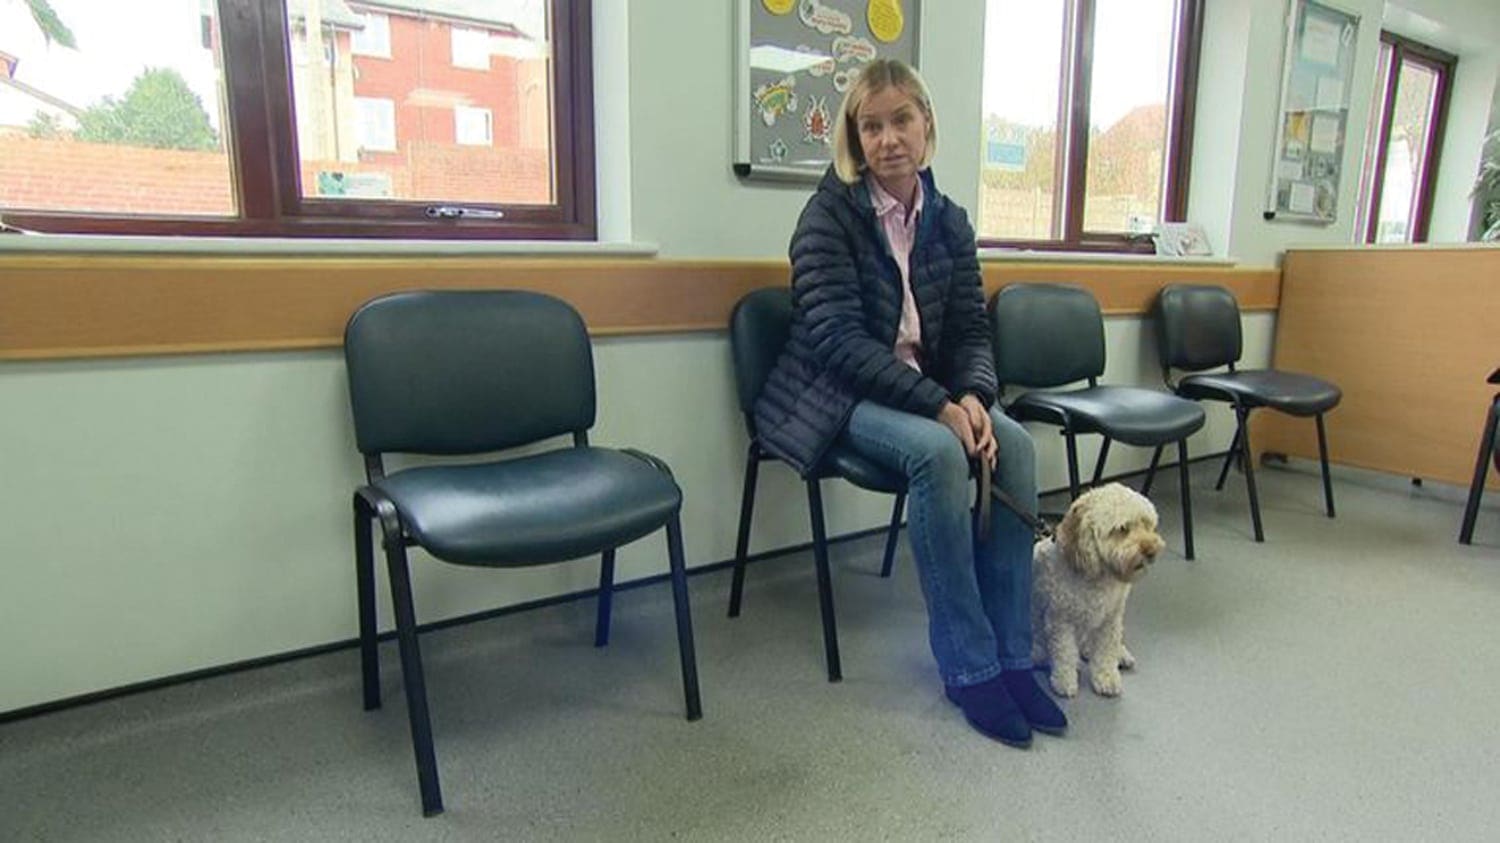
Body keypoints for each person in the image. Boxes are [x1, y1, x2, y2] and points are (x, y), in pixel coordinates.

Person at [753, 59, 1064, 748]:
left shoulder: (948, 219)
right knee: (936, 452)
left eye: (901, 119)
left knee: (1013, 442)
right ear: (855, 138)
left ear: (927, 124)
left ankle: (1015, 656)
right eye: (871, 125)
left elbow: (973, 330)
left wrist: (977, 397)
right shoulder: (827, 215)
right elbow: (836, 342)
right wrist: (940, 408)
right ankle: (970, 667)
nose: (888, 137)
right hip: (834, 393)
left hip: (921, 389)